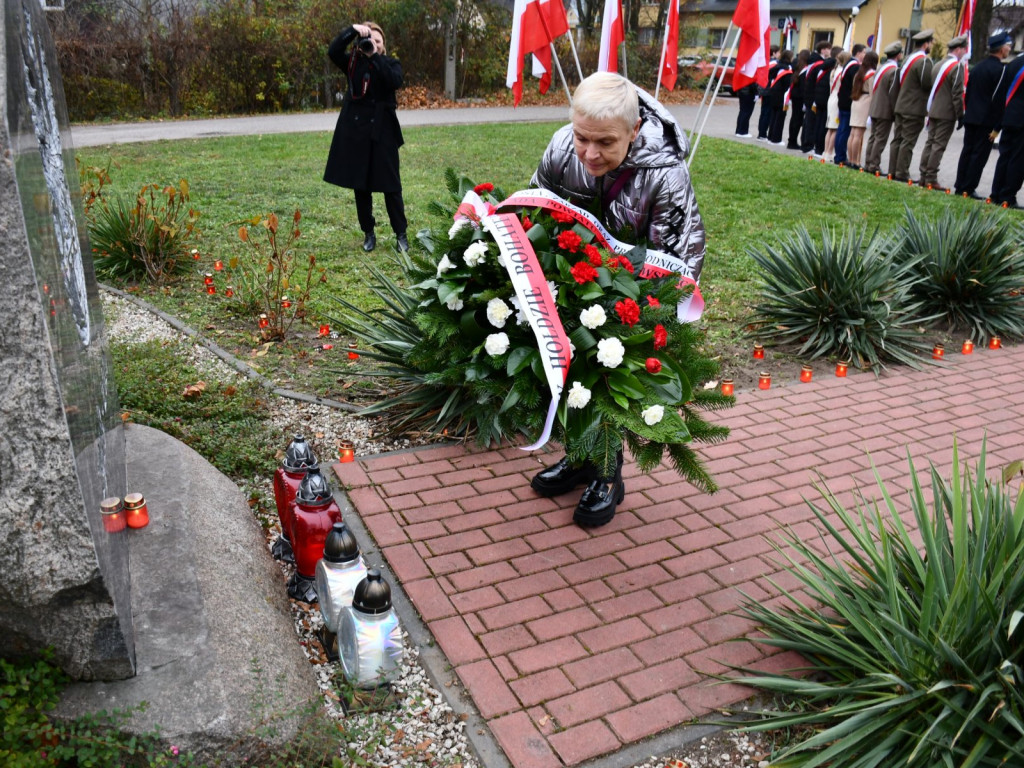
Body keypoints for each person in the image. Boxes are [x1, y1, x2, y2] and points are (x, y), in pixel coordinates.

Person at [531, 72, 706, 527]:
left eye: (605, 142)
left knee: (610, 376)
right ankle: (578, 457)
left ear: (633, 131)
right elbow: (534, 211)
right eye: (581, 137)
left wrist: (639, 318)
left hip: (642, 290)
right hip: (578, 282)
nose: (589, 153)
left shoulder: (666, 176)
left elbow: (674, 260)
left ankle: (608, 475)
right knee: (568, 374)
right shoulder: (559, 148)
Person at [323, 22, 409, 254]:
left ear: (383, 46)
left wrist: (374, 57)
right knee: (361, 187)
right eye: (369, 40)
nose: (373, 43)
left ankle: (401, 234)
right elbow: (332, 51)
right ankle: (368, 233)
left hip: (384, 132)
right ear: (359, 45)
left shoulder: (389, 63)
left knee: (391, 186)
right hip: (357, 133)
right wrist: (352, 30)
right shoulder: (352, 63)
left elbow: (394, 81)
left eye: (377, 41)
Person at [954, 33, 1013, 198]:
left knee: (967, 152)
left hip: (972, 116)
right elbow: (999, 100)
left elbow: (970, 92)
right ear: (1001, 49)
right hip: (986, 120)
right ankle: (968, 187)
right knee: (978, 156)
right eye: (1008, 46)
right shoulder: (1001, 71)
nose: (1009, 49)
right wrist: (997, 126)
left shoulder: (978, 66)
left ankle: (960, 185)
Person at [918, 35, 968, 190]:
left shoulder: (939, 63)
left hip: (933, 109)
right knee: (938, 145)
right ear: (958, 49)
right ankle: (931, 178)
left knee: (930, 143)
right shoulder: (957, 66)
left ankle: (923, 175)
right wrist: (960, 115)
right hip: (946, 113)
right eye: (964, 50)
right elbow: (957, 93)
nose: (965, 52)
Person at [891, 29, 935, 183]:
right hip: (914, 107)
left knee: (897, 139)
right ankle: (902, 172)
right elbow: (927, 83)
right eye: (931, 43)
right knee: (907, 141)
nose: (931, 46)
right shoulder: (923, 61)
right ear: (926, 44)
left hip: (901, 105)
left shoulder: (908, 59)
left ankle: (893, 170)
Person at [863, 41, 905, 175]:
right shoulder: (894, 70)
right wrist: (895, 109)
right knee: (880, 138)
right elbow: (893, 92)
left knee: (873, 137)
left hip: (875, 107)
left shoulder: (881, 68)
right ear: (898, 55)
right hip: (884, 109)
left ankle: (868, 162)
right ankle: (874, 165)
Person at [990, 53, 1024, 207]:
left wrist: (998, 123)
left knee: (1004, 157)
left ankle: (996, 193)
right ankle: (1007, 196)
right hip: (1022, 120)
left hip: (1008, 116)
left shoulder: (1013, 63)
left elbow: (1002, 93)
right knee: (1018, 160)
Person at [847, 50, 879, 169]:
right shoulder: (871, 74)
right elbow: (872, 92)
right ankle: (856, 161)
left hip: (856, 101)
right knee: (858, 134)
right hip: (865, 102)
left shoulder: (859, 72)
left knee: (853, 133)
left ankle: (851, 159)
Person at [835, 44, 866, 165]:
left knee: (841, 130)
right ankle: (841, 157)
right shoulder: (855, 67)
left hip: (843, 100)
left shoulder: (849, 64)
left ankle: (839, 155)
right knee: (844, 131)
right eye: (863, 52)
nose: (864, 55)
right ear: (858, 53)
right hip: (848, 101)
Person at [801, 40, 832, 154]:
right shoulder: (819, 63)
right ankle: (808, 145)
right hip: (813, 96)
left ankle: (805, 144)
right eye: (829, 48)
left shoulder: (813, 61)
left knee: (808, 121)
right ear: (823, 50)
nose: (830, 51)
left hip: (809, 95)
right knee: (811, 122)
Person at [824, 50, 850, 162]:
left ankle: (826, 151)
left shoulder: (834, 70)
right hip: (837, 99)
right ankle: (830, 152)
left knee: (830, 128)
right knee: (835, 128)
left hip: (831, 98)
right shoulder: (842, 72)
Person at [767, 50, 795, 145]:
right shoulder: (787, 69)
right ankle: (776, 139)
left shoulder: (777, 66)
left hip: (773, 93)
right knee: (780, 118)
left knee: (773, 116)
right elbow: (787, 84)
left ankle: (770, 137)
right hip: (781, 95)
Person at [787, 49, 811, 149]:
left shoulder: (796, 65)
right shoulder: (804, 69)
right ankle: (792, 142)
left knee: (794, 118)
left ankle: (791, 140)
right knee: (797, 120)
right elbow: (804, 87)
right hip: (800, 97)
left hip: (795, 96)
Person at [757, 45, 782, 140]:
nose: (779, 54)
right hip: (769, 90)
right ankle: (763, 133)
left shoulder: (765, 62)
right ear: (774, 53)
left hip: (763, 89)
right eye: (778, 52)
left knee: (764, 112)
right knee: (767, 113)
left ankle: (761, 132)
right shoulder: (774, 64)